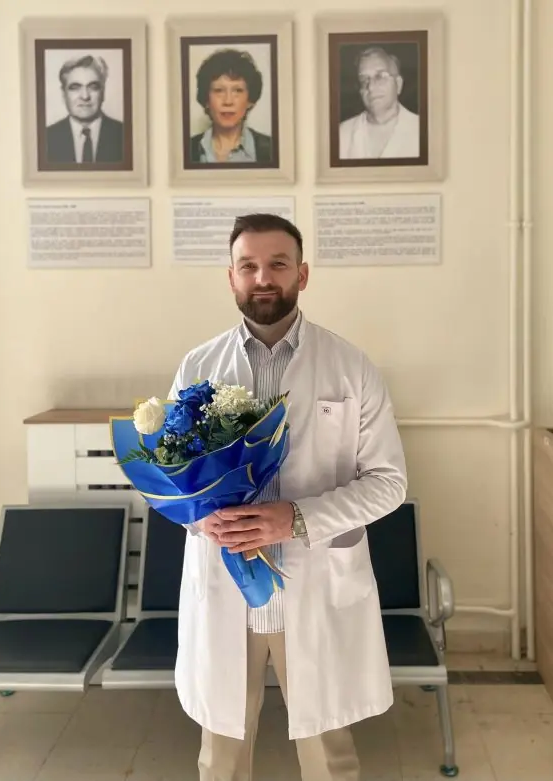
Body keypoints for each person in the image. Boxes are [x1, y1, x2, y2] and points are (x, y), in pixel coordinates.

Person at [168, 213, 408, 781]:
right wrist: (201, 519)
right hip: (227, 587)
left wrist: (296, 518)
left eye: (277, 264)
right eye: (248, 265)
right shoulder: (198, 367)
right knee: (220, 759)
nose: (263, 278)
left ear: (302, 274)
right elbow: (175, 477)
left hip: (316, 585)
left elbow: (389, 483)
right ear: (231, 277)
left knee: (330, 758)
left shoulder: (350, 366)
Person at [190, 49, 273, 164]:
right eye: (219, 90)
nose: (228, 101)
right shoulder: (185, 149)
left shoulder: (272, 149)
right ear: (206, 100)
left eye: (238, 91)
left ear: (250, 100)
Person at [339, 46, 420, 160]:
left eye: (380, 76)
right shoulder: (342, 134)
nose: (371, 87)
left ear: (398, 84)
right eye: (364, 80)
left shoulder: (422, 130)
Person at [45, 54, 124, 164]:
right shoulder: (46, 138)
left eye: (93, 87)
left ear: (103, 92)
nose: (85, 96)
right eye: (75, 88)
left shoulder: (124, 134)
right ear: (63, 94)